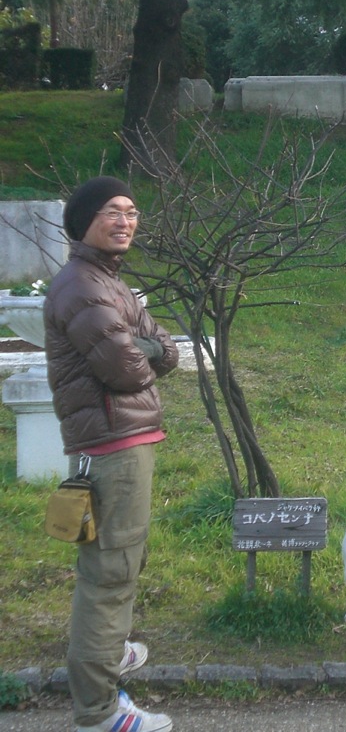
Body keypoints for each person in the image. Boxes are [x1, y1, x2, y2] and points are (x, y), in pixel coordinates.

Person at [44, 176, 179, 732]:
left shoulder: (110, 282)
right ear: (83, 223)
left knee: (122, 562)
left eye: (131, 211)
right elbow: (125, 368)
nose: (125, 220)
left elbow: (165, 350)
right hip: (112, 444)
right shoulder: (82, 286)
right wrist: (142, 348)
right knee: (110, 572)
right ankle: (99, 709)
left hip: (126, 439)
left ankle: (108, 650)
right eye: (110, 212)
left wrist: (143, 346)